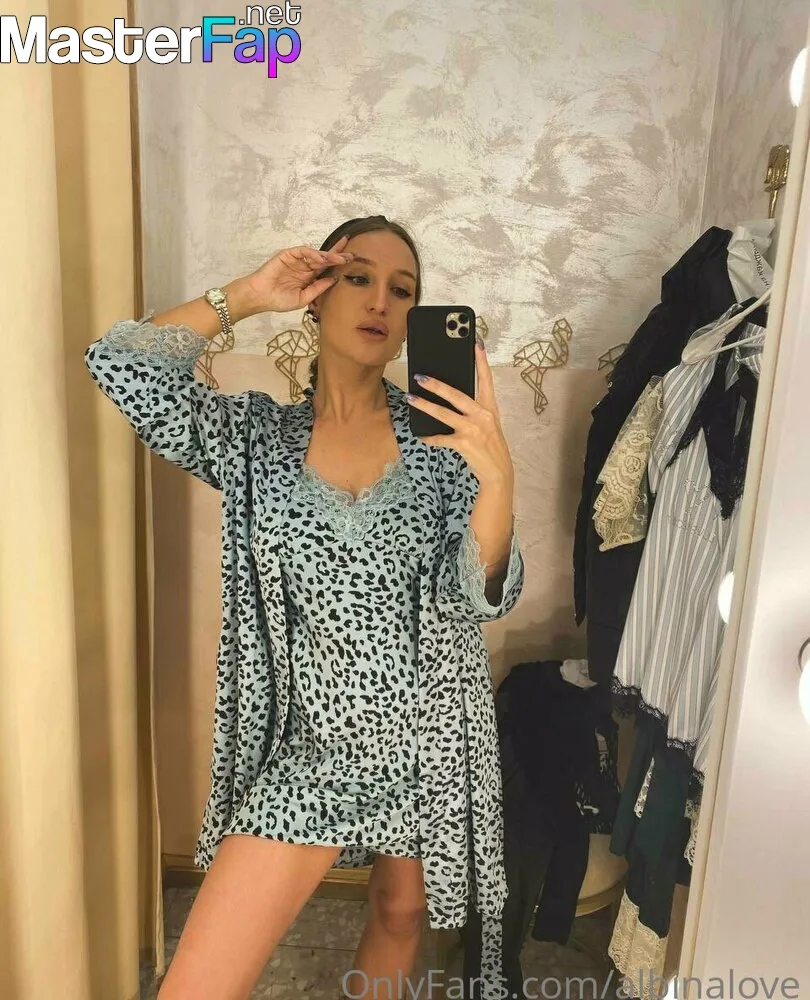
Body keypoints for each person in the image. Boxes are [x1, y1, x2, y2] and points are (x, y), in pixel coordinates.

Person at [84, 215, 525, 1000]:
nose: (380, 301)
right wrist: (250, 295)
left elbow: (479, 597)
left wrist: (497, 482)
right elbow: (122, 367)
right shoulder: (256, 439)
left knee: (400, 913)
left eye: (403, 290)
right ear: (317, 293)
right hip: (312, 755)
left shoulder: (447, 445)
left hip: (427, 743)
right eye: (358, 277)